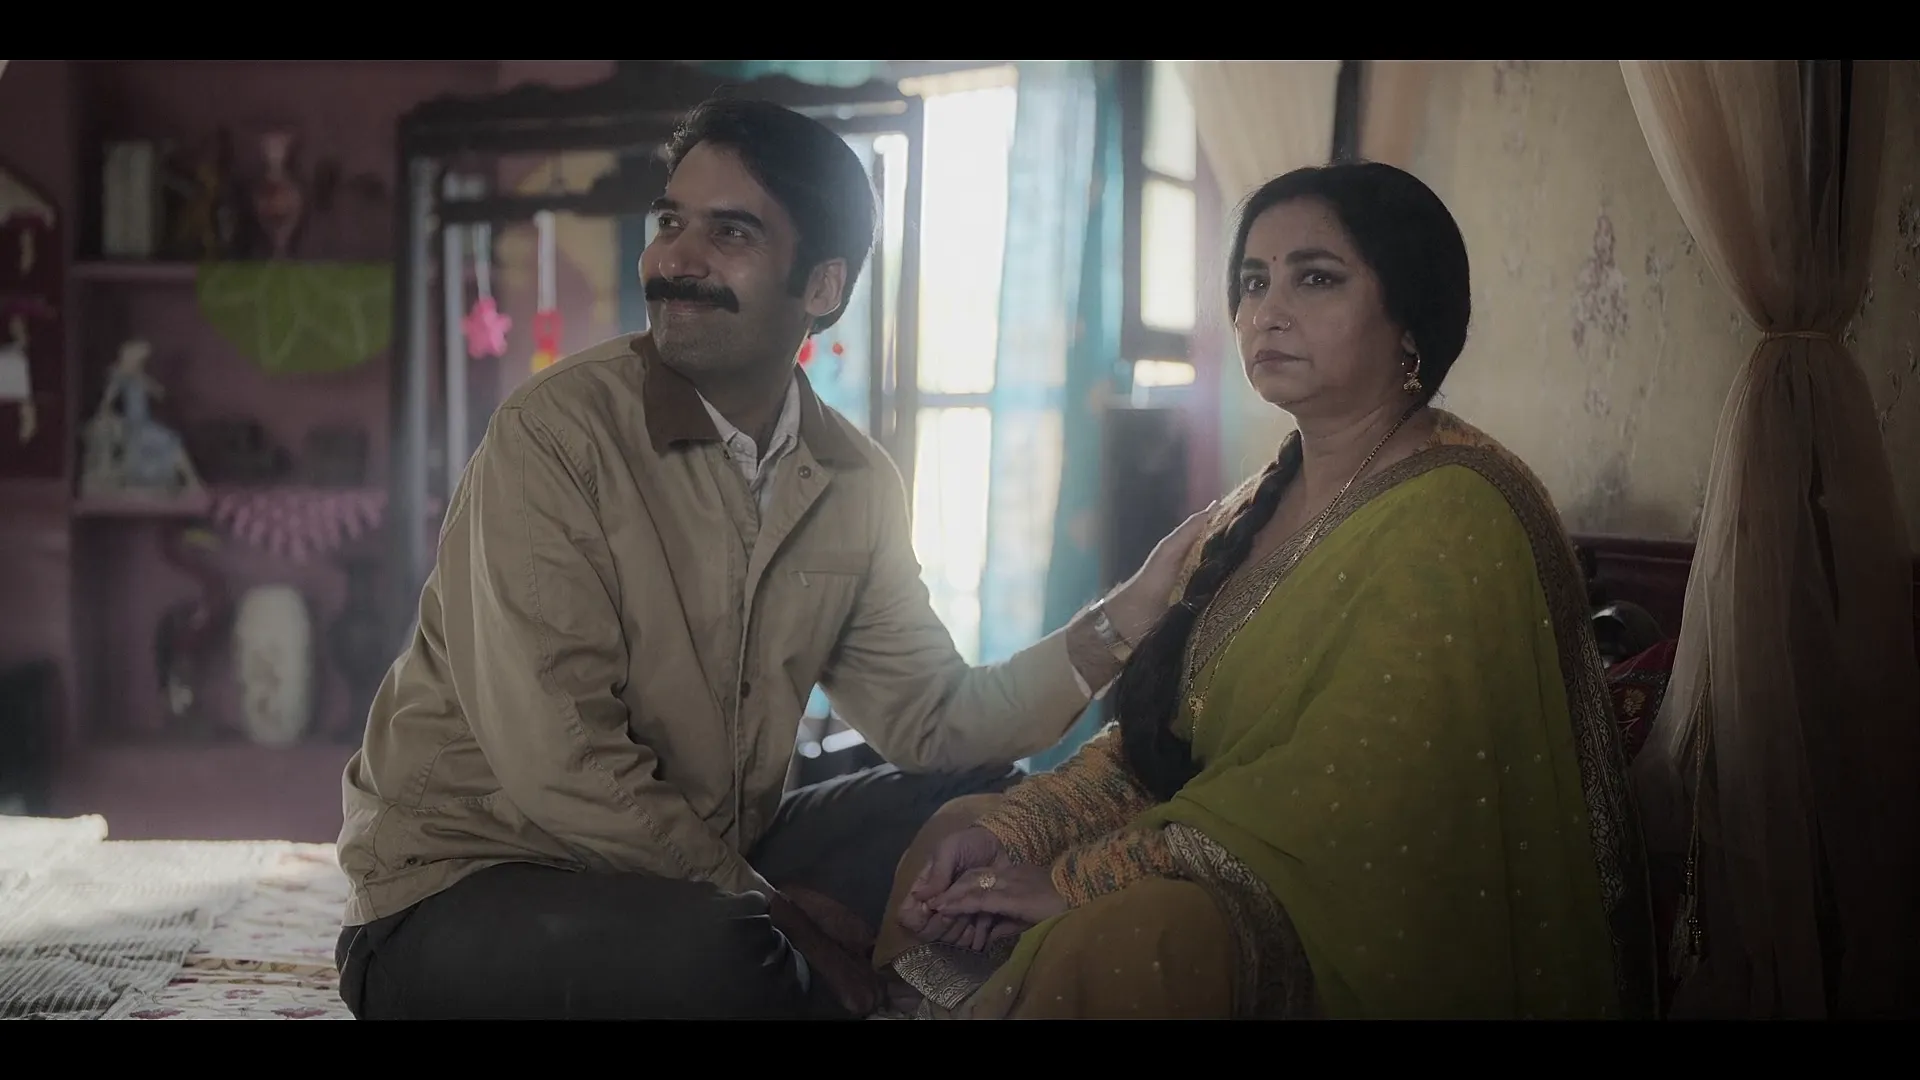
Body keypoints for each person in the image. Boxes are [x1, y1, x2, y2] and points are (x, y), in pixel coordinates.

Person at [332, 96, 1208, 1020]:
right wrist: (776, 912)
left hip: (705, 856)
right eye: (670, 222)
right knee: (721, 959)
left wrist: (1125, 620)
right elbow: (565, 767)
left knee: (986, 806)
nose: (675, 259)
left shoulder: (851, 480)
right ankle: (830, 977)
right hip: (471, 880)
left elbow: (936, 717)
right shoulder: (555, 437)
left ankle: (827, 973)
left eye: (731, 232)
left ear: (821, 286)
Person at [878, 161, 1661, 1020]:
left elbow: (1353, 800)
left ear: (1409, 319)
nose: (1267, 313)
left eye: (1315, 279)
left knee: (1130, 939)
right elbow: (1161, 746)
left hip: (1346, 910)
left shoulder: (1458, 511)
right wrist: (1021, 832)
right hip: (1206, 850)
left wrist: (1075, 881)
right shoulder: (1247, 509)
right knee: (957, 830)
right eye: (1253, 282)